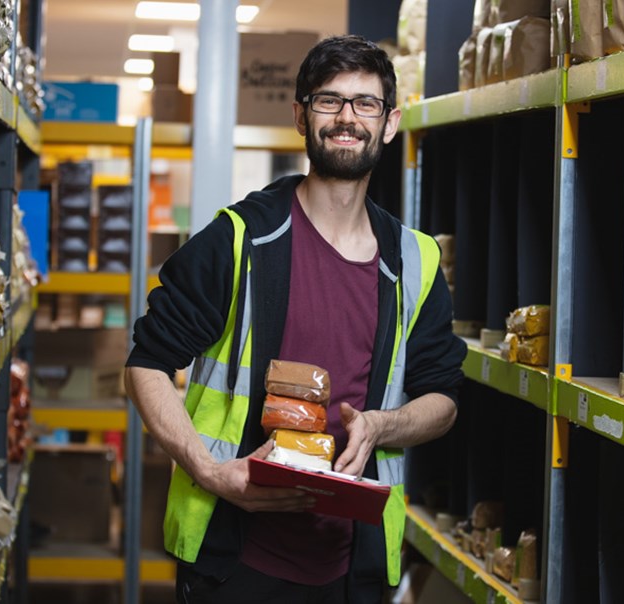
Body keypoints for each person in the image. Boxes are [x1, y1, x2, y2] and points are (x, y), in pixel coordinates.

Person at [125, 34, 466, 603]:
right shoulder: (240, 239)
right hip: (235, 560)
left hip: (353, 566)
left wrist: (382, 426)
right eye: (328, 101)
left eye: (366, 103)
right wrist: (211, 472)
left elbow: (443, 398)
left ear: (389, 122)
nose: (347, 118)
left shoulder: (416, 260)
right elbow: (147, 364)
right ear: (300, 117)